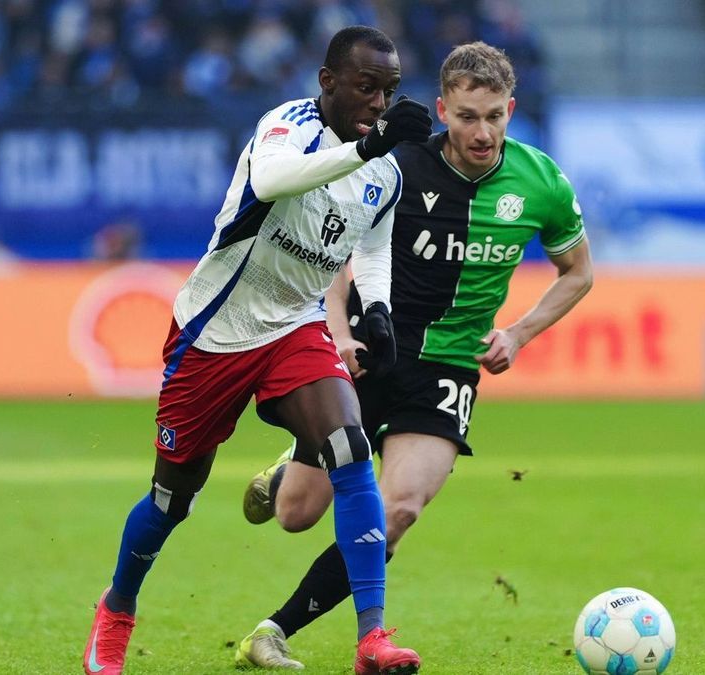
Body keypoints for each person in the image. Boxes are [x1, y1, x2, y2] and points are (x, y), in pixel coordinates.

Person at [81, 25, 432, 675]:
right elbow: (273, 181)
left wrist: (376, 308)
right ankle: (117, 608)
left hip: (293, 328)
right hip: (214, 331)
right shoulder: (286, 127)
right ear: (327, 83)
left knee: (351, 446)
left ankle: (372, 638)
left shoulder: (382, 171)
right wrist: (374, 145)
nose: (379, 103)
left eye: (388, 92)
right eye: (365, 88)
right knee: (171, 499)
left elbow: (373, 243)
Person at [233, 41, 594, 670]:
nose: (482, 133)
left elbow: (577, 272)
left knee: (398, 510)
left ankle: (272, 632)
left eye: (494, 117)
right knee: (295, 515)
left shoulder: (541, 182)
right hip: (373, 348)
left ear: (511, 109)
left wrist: (518, 333)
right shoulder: (400, 165)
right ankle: (289, 470)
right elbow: (341, 254)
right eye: (466, 117)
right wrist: (338, 331)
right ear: (441, 110)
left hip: (449, 368)